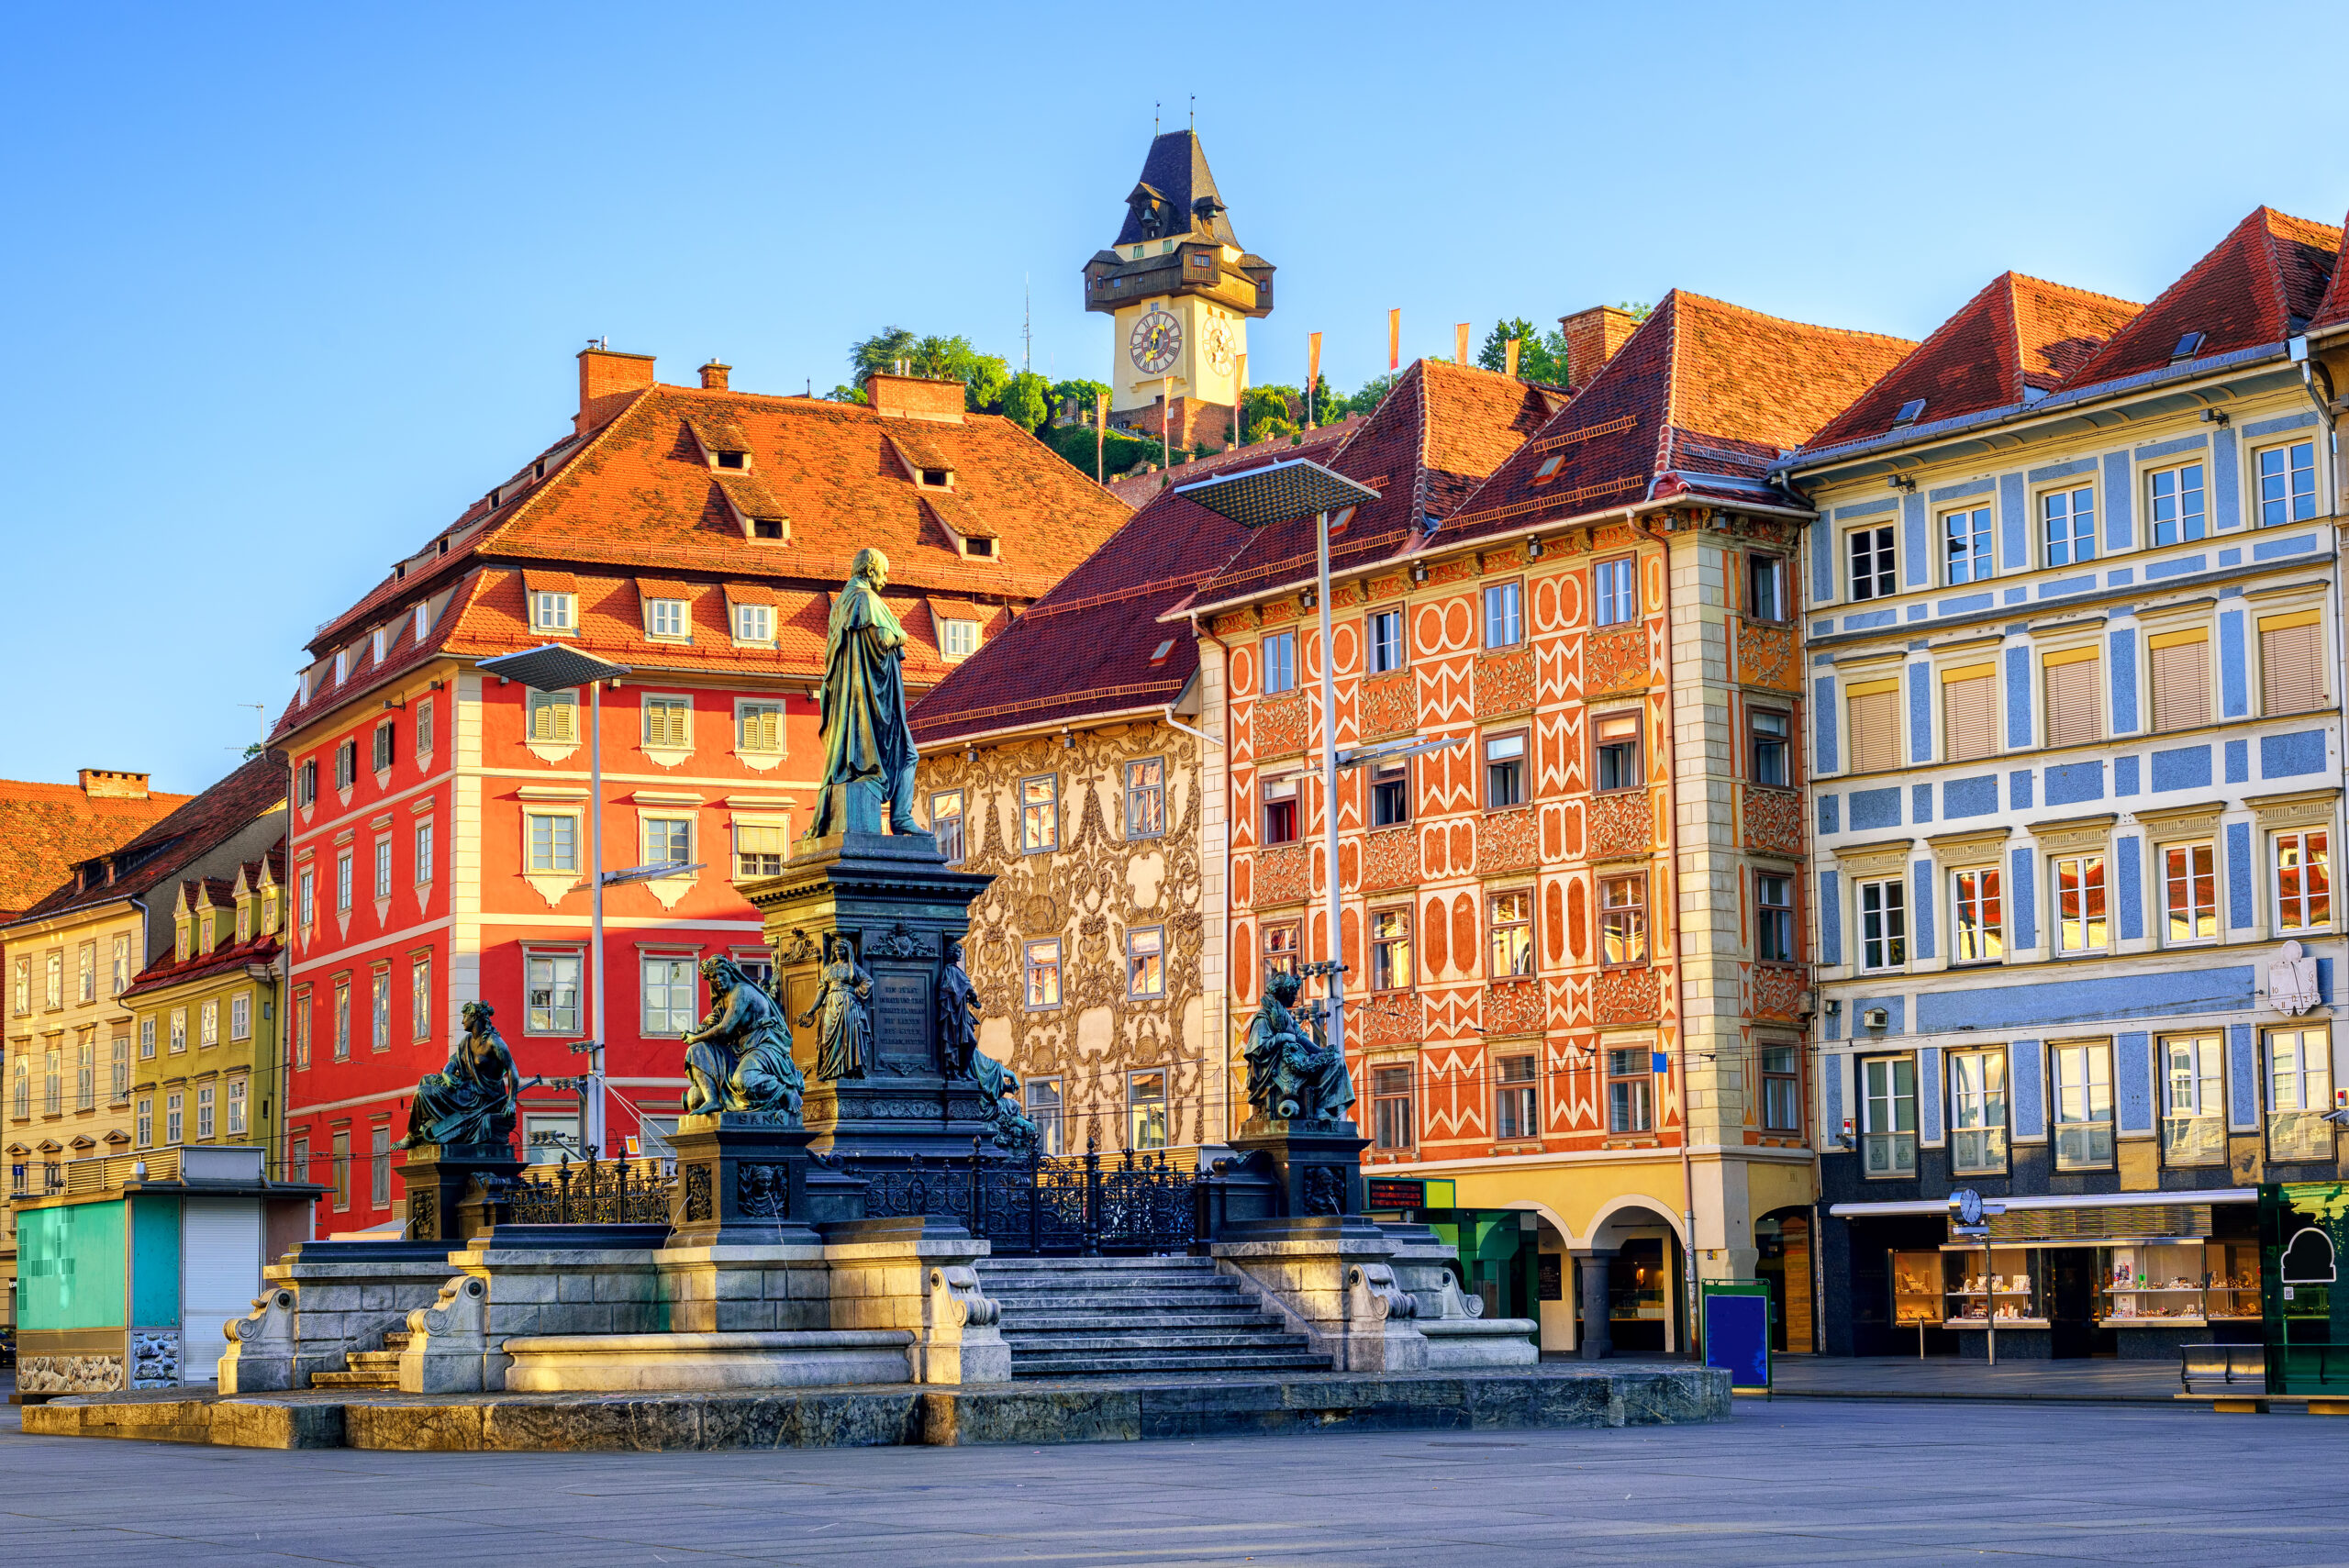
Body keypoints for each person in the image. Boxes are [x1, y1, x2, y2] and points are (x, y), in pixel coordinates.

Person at [806, 547, 918, 839]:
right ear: (870, 571)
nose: (885, 581)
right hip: (875, 697)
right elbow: (882, 639)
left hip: (854, 700)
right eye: (883, 573)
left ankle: (902, 819)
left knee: (901, 755)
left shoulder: (842, 602)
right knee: (907, 754)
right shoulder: (867, 599)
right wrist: (902, 634)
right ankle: (902, 818)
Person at [681, 955, 805, 1118]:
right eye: (713, 977)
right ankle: (712, 1100)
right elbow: (712, 1030)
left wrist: (694, 1037)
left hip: (762, 1045)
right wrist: (703, 1025)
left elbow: (724, 1029)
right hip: (739, 1049)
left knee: (743, 1080)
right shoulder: (722, 1001)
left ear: (730, 973)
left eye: (721, 974)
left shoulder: (741, 991)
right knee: (696, 1051)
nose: (718, 979)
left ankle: (785, 1090)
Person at [395, 1001, 523, 1150]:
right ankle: (424, 1128)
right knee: (425, 1079)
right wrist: (447, 1074)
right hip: (464, 1087)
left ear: (474, 1018)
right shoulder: (467, 1041)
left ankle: (413, 1134)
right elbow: (453, 1062)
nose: (462, 1021)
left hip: (479, 1097)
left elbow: (512, 1070)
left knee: (422, 1093)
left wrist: (511, 1100)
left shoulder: (494, 1042)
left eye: (465, 1017)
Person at [798, 933, 874, 1080]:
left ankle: (846, 1070)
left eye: (841, 950)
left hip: (847, 1005)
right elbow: (822, 990)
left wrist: (855, 992)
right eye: (836, 950)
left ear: (847, 951)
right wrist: (812, 1009)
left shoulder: (853, 968)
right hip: (831, 1004)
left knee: (846, 1037)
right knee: (827, 1038)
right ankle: (830, 1070)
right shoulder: (829, 969)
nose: (838, 952)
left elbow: (868, 981)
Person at [936, 937, 982, 1078]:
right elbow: (963, 987)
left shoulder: (954, 970)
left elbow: (963, 987)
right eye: (957, 951)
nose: (960, 953)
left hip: (960, 1013)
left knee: (970, 1041)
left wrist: (971, 998)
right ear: (951, 953)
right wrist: (972, 996)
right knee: (969, 1041)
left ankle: (962, 1070)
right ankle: (959, 1070)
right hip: (955, 1015)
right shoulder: (951, 970)